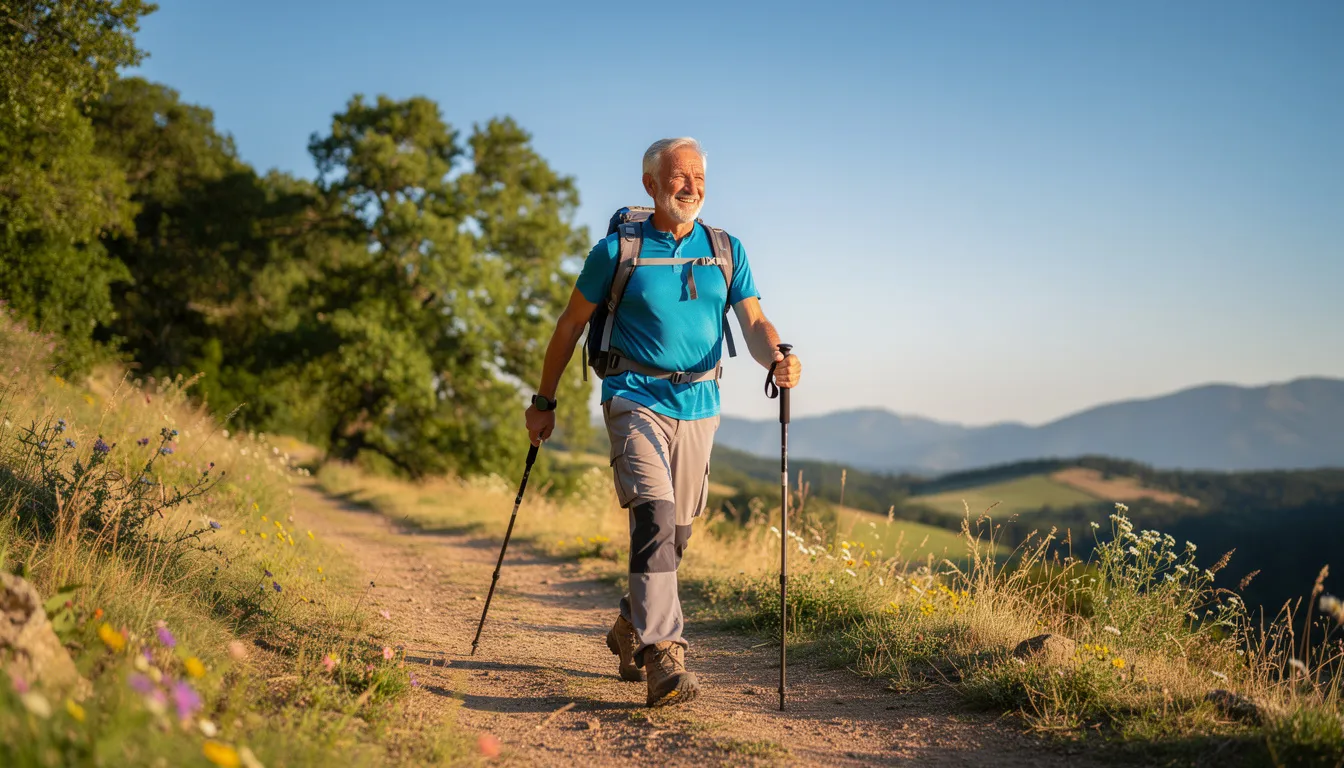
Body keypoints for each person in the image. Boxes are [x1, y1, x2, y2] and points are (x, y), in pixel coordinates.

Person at [525, 137, 801, 707]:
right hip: (633, 397)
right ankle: (664, 655)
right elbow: (568, 327)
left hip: (700, 405)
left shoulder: (726, 249)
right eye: (679, 177)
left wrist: (775, 355)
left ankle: (631, 625)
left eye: (699, 177)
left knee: (675, 537)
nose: (691, 186)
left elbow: (753, 321)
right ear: (651, 184)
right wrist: (544, 402)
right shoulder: (615, 252)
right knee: (654, 513)